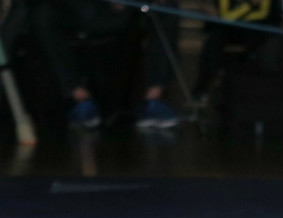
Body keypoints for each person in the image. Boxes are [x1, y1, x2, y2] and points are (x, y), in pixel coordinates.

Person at [30, 0, 181, 129]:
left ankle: (153, 99)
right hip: (78, 8)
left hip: (125, 10)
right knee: (43, 14)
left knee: (167, 7)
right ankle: (80, 98)